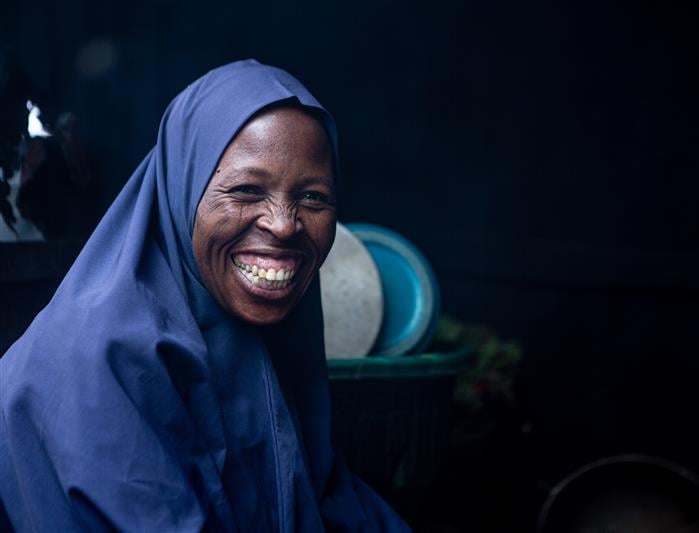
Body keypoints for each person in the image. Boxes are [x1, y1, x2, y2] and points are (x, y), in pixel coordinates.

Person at [0, 59, 410, 532]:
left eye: (313, 197)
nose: (284, 224)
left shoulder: (261, 328)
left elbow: (320, 496)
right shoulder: (98, 362)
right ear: (182, 189)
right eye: (246, 190)